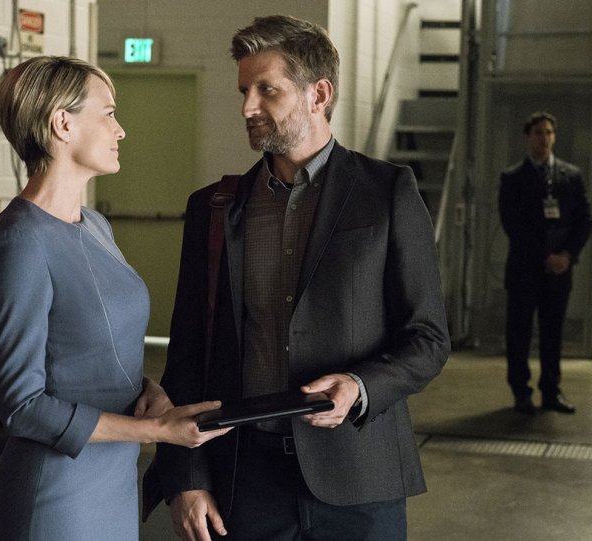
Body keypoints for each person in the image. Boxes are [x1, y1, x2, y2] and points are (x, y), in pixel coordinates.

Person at [143, 15, 450, 541]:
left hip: (360, 477)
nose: (248, 107)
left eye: (266, 90)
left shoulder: (386, 193)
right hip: (243, 479)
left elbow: (428, 338)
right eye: (244, 91)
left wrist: (360, 386)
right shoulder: (214, 209)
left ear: (318, 94)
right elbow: (188, 355)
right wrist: (186, 479)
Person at [0, 55, 230, 541]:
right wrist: (156, 432)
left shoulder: (95, 226)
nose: (121, 130)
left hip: (114, 476)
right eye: (109, 113)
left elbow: (92, 349)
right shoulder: (20, 241)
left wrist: (147, 390)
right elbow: (21, 405)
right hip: (58, 489)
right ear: (63, 123)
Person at [498, 111, 592, 415]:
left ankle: (551, 390)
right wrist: (544, 257)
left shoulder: (570, 176)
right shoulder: (513, 178)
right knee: (520, 333)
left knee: (553, 332)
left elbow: (584, 220)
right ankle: (521, 392)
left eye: (549, 133)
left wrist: (566, 256)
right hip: (525, 270)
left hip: (559, 272)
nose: (545, 139)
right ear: (528, 137)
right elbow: (513, 225)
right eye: (539, 133)